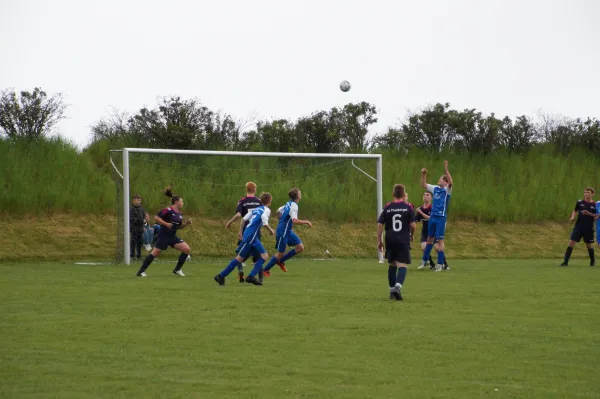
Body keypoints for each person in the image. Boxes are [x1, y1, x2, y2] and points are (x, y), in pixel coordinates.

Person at [214, 192, 275, 286]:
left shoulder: (256, 209)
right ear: (270, 202)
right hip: (251, 236)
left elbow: (244, 219)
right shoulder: (266, 210)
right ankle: (224, 276)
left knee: (263, 256)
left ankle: (222, 276)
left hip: (251, 235)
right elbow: (264, 220)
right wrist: (270, 230)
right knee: (240, 258)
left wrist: (240, 232)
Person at [136, 187, 193, 277]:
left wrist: (186, 223)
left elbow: (179, 227)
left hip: (173, 237)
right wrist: (166, 224)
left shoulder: (179, 214)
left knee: (187, 249)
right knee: (155, 253)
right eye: (181, 201)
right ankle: (140, 272)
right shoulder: (168, 210)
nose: (183, 203)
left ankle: (177, 269)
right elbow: (156, 218)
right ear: (176, 202)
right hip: (164, 236)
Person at [377, 184, 416, 300]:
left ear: (393, 195)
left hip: (390, 240)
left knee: (392, 265)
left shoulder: (387, 207)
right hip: (403, 240)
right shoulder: (408, 207)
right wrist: (412, 235)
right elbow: (413, 225)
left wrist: (379, 241)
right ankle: (398, 287)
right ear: (404, 195)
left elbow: (379, 225)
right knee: (402, 265)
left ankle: (391, 291)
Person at [262, 188, 312, 277]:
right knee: (280, 253)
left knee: (300, 247)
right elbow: (295, 220)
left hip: (287, 231)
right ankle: (265, 270)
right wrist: (306, 222)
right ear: (297, 196)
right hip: (283, 232)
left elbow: (278, 211)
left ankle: (280, 261)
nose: (301, 194)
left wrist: (282, 219)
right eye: (300, 193)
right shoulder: (294, 206)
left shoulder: (288, 203)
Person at [418, 160, 453, 272]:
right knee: (429, 239)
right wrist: (423, 174)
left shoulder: (447, 190)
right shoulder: (435, 188)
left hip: (440, 218)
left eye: (441, 179)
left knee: (440, 241)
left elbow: (451, 182)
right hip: (432, 217)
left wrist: (446, 170)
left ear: (445, 182)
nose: (439, 180)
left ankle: (439, 264)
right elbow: (423, 184)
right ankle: (424, 261)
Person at [225, 182, 262, 282]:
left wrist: (230, 222)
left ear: (247, 189)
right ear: (254, 189)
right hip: (256, 231)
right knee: (259, 254)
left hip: (246, 230)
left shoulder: (242, 201)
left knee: (239, 254)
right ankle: (260, 278)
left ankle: (241, 273)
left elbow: (238, 215)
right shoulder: (259, 201)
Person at [561, 187, 596, 267]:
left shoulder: (594, 205)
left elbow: (596, 216)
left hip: (588, 227)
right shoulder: (579, 202)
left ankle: (592, 261)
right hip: (578, 226)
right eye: (585, 192)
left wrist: (589, 214)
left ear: (592, 194)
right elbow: (575, 210)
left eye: (588, 192)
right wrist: (573, 217)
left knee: (588, 245)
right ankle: (565, 262)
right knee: (571, 242)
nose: (586, 194)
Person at [416, 192, 450, 270]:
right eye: (424, 195)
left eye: (427, 195)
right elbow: (416, 220)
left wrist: (420, 212)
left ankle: (445, 264)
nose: (425, 196)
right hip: (425, 232)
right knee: (424, 247)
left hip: (434, 231)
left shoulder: (433, 208)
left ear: (431, 198)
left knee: (437, 248)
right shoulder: (420, 208)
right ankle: (431, 264)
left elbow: (430, 218)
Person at [129, 194, 145, 260]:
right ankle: (132, 255)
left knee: (140, 242)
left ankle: (139, 255)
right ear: (133, 200)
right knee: (133, 241)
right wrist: (141, 220)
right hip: (134, 228)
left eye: (140, 200)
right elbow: (132, 219)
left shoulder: (141, 208)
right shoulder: (131, 209)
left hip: (140, 228)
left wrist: (144, 224)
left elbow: (144, 217)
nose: (139, 202)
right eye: (138, 200)